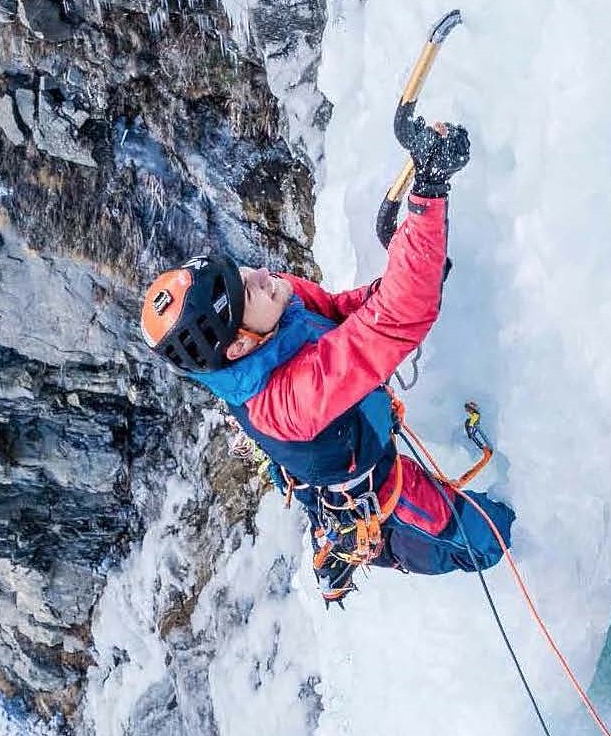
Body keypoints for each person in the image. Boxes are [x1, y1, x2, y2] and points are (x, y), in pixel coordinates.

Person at [140, 118, 514, 605]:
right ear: (238, 347)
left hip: (356, 437)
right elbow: (396, 320)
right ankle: (352, 551)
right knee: (488, 539)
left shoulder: (276, 304)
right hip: (377, 493)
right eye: (244, 289)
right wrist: (428, 195)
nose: (260, 273)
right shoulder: (288, 404)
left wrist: (414, 265)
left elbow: (349, 313)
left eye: (240, 270)